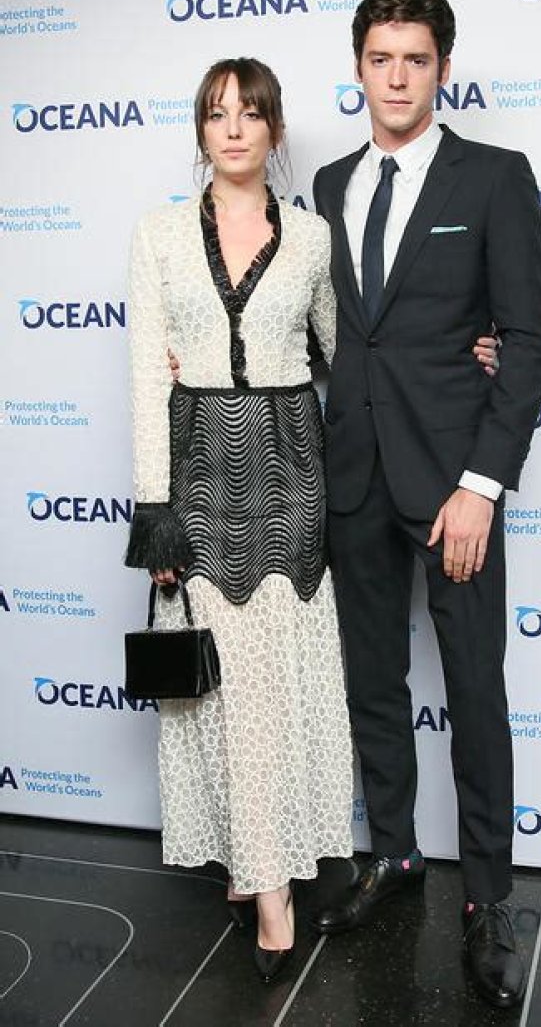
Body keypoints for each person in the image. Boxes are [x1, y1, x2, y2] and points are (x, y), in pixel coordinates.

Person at [311, 0, 541, 1009]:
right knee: (372, 680)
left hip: (455, 486)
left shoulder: (494, 177)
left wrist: (482, 486)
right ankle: (395, 852)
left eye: (416, 59)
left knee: (474, 689)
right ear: (359, 67)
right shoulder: (328, 185)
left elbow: (526, 342)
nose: (398, 77)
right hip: (354, 477)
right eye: (381, 59)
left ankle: (488, 897)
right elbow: (324, 327)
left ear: (443, 68)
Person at [124, 57, 355, 982]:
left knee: (272, 688)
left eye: (249, 114)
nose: (232, 129)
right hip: (200, 477)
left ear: (274, 130)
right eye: (216, 114)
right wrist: (154, 510)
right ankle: (256, 869)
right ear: (200, 130)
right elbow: (147, 373)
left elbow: (349, 351)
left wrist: (458, 354)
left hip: (293, 473)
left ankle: (268, 884)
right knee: (223, 693)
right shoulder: (157, 234)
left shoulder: (313, 237)